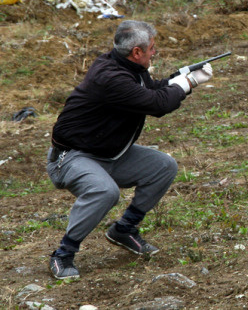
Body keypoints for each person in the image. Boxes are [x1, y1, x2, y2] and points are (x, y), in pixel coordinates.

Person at [47, 20, 213, 279]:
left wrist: (178, 80)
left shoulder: (128, 67)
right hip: (71, 157)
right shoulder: (110, 77)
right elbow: (157, 105)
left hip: (108, 154)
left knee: (163, 166)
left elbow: (151, 91)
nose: (154, 53)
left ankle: (124, 229)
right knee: (105, 191)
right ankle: (63, 254)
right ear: (137, 52)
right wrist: (187, 83)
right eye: (152, 49)